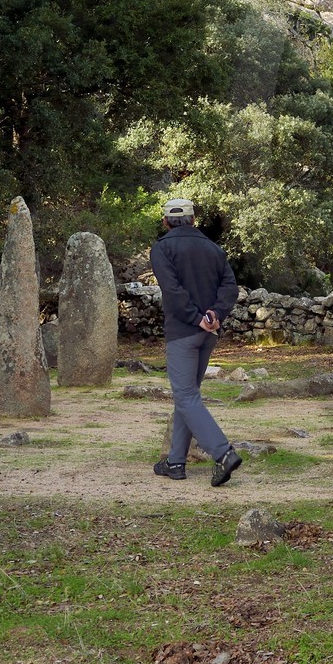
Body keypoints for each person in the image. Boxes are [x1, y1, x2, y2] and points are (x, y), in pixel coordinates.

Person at [150, 197, 243, 487]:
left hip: (183, 332)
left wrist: (195, 317)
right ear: (193, 220)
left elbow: (172, 290)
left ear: (166, 221)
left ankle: (223, 453)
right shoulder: (214, 249)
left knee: (186, 396)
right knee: (187, 397)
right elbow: (230, 287)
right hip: (209, 333)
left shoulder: (162, 249)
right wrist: (214, 314)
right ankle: (176, 461)